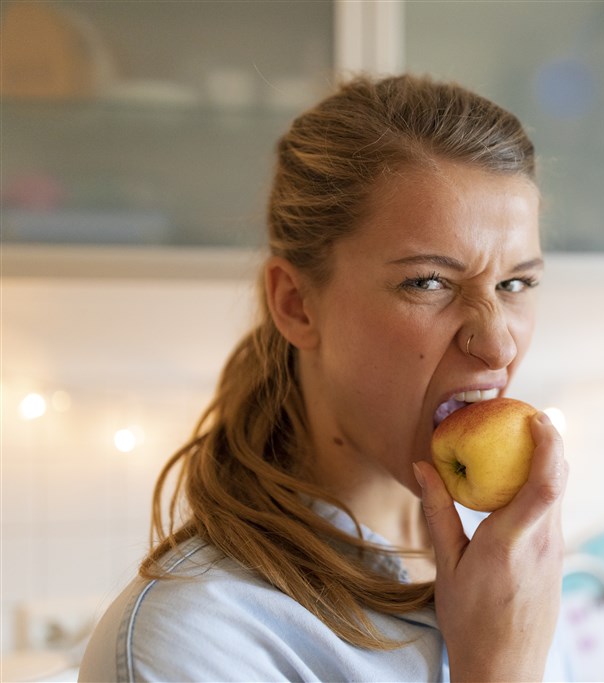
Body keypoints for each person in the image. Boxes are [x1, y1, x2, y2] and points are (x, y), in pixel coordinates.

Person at [79, 73, 569, 682]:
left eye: (514, 283)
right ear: (296, 305)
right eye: (428, 282)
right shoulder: (194, 637)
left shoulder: (518, 569)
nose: (496, 343)